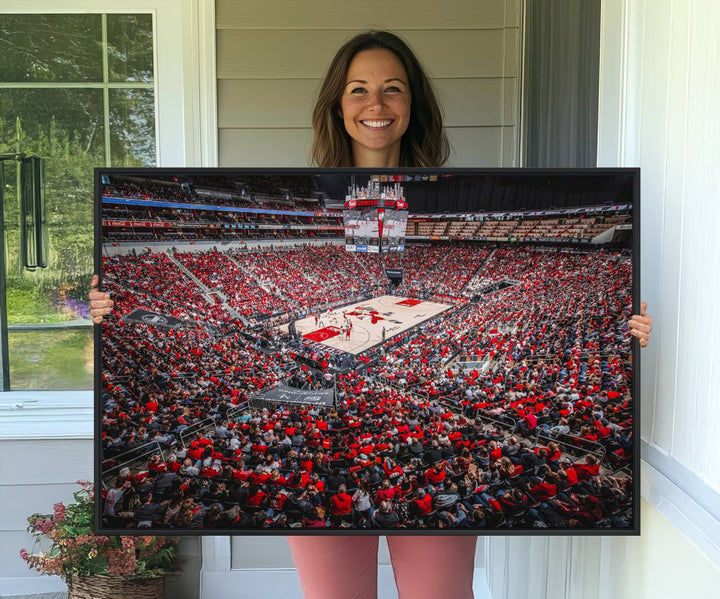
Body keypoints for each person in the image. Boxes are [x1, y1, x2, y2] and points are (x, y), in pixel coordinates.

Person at [89, 29, 653, 599]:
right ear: (337, 104)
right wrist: (102, 309)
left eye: (393, 89)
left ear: (414, 105)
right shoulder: (309, 193)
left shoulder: (447, 188)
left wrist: (629, 333)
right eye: (358, 89)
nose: (375, 105)